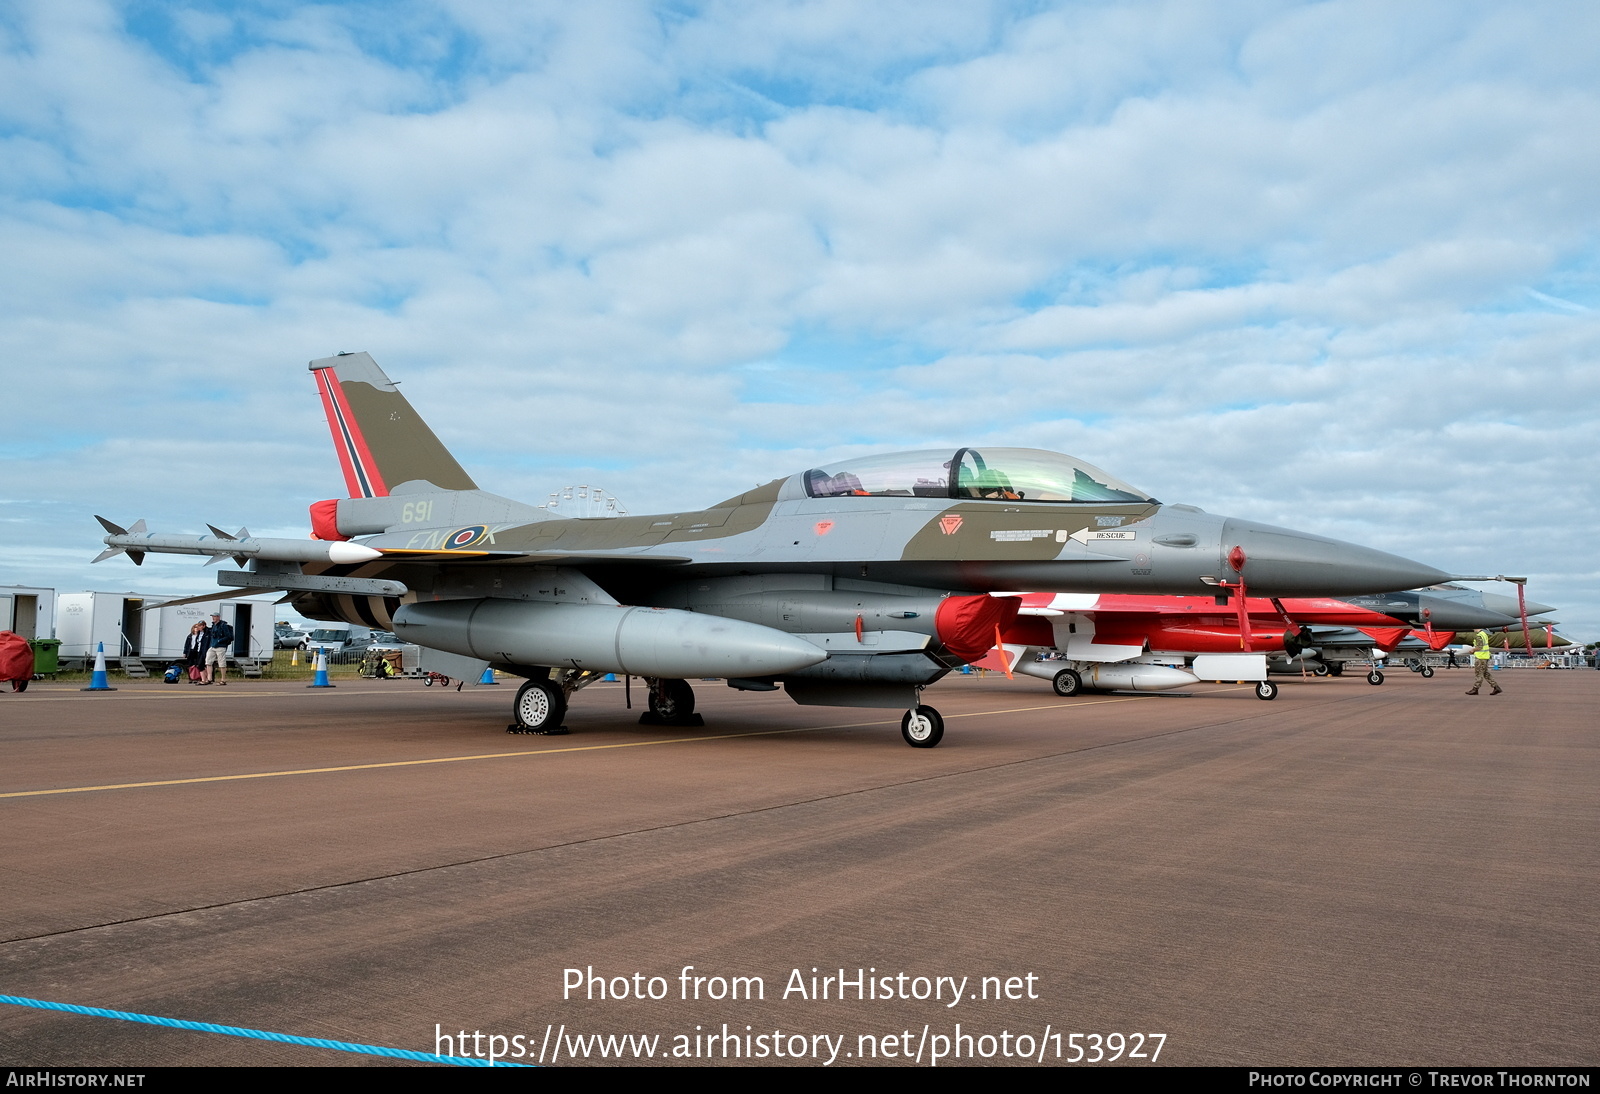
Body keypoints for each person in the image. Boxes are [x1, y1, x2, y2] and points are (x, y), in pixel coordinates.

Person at [1465, 628, 1502, 696]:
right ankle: (1496, 687)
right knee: (1485, 673)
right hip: (1485, 656)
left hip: (1480, 657)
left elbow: (1479, 647)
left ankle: (1475, 689)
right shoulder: (1484, 634)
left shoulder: (1479, 635)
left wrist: (1473, 650)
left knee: (1479, 673)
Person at [204, 612, 234, 686]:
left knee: (221, 663)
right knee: (208, 661)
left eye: (214, 616)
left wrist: (219, 641)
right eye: (213, 616)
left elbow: (228, 636)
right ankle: (209, 678)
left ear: (218, 617)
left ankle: (223, 679)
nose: (213, 618)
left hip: (221, 646)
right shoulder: (213, 625)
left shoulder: (223, 625)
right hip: (213, 646)